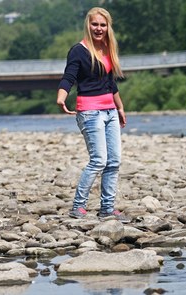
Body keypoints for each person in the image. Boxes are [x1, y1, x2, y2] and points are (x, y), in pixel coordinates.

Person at [56, 7, 128, 222]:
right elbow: (69, 76)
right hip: (89, 112)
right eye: (95, 24)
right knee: (98, 160)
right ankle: (78, 206)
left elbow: (109, 82)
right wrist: (61, 96)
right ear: (88, 25)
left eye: (103, 25)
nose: (99, 29)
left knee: (114, 161)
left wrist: (120, 107)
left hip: (110, 111)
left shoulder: (107, 48)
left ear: (108, 27)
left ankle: (107, 208)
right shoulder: (78, 50)